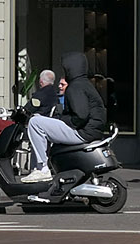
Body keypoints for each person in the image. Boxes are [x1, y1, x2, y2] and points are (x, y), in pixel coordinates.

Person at [23, 52, 107, 183]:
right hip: (91, 131)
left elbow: (80, 115)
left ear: (71, 68)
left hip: (82, 131)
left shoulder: (75, 87)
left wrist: (62, 120)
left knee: (35, 122)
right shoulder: (85, 84)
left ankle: (42, 169)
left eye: (65, 69)